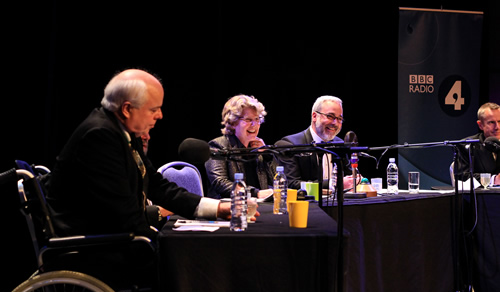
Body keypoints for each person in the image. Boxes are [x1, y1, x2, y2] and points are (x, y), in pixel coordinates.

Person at [47, 69, 245, 243]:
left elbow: (158, 186)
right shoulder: (99, 136)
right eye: (153, 109)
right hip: (96, 246)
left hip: (114, 237)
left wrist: (217, 207)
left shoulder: (123, 133)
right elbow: (122, 213)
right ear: (127, 109)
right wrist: (159, 244)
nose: (159, 116)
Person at [275, 95, 356, 190]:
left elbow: (349, 175)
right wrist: (332, 184)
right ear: (314, 116)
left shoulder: (340, 144)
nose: (335, 123)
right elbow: (291, 184)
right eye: (330, 116)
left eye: (339, 119)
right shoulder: (289, 145)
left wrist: (356, 180)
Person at [205, 94, 275, 199]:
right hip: (228, 207)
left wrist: (267, 156)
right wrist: (255, 193)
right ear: (233, 122)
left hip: (259, 206)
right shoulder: (218, 146)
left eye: (257, 119)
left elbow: (277, 181)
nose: (254, 124)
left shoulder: (258, 148)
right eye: (248, 120)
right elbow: (220, 183)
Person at [456, 102, 500, 185]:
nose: (497, 127)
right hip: (482, 197)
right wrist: (493, 180)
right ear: (480, 125)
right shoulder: (467, 146)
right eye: (491, 122)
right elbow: (462, 176)